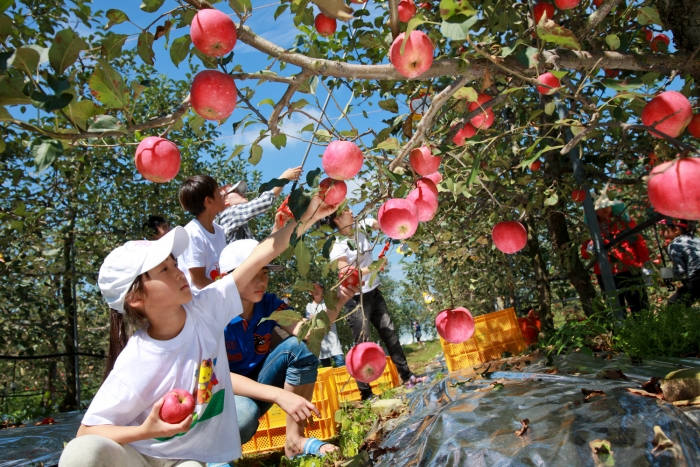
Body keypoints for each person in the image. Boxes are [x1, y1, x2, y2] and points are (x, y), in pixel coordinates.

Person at [58, 195, 337, 467]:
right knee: (83, 454)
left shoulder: (206, 309)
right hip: (139, 456)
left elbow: (263, 252)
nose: (179, 273)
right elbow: (87, 432)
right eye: (164, 270)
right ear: (136, 298)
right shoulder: (137, 359)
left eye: (174, 264)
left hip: (186, 459)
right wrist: (148, 430)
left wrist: (309, 215)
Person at [219, 240, 358, 457]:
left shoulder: (268, 304)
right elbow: (217, 377)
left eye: (264, 272)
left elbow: (309, 331)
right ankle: (217, 456)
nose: (261, 281)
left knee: (299, 347)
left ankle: (295, 440)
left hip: (260, 385)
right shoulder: (215, 314)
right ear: (227, 278)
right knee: (244, 416)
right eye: (253, 272)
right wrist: (278, 395)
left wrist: (339, 300)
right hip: (225, 397)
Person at [325, 208, 427, 400]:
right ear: (337, 218)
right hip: (356, 300)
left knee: (391, 335)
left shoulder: (360, 227)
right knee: (362, 344)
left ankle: (408, 377)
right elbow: (345, 273)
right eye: (346, 210)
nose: (351, 211)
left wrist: (400, 226)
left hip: (374, 293)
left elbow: (380, 224)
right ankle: (366, 393)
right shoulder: (337, 245)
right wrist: (373, 267)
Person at [581, 195, 650, 313]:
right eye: (600, 207)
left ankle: (646, 328)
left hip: (629, 269)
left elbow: (638, 242)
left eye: (607, 205)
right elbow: (585, 253)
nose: (605, 209)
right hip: (606, 272)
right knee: (615, 307)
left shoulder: (624, 223)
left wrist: (645, 263)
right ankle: (621, 330)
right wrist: (589, 248)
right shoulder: (590, 230)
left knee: (639, 305)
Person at [216, 167, 303, 243]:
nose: (242, 194)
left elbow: (258, 254)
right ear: (225, 201)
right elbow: (264, 201)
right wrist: (283, 179)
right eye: (236, 192)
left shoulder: (240, 227)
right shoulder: (228, 214)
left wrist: (277, 227)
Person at [177, 175, 228, 293]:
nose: (222, 196)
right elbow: (198, 280)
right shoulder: (193, 233)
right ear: (208, 201)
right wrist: (227, 291)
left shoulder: (219, 231)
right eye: (218, 193)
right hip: (200, 305)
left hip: (216, 301)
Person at [659, 218, 700, 307]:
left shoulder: (675, 244)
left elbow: (679, 271)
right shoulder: (696, 240)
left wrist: (667, 277)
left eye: (664, 229)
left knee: (673, 304)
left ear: (676, 230)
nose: (661, 232)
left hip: (698, 278)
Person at [306, 282, 346, 368]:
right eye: (313, 288)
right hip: (321, 344)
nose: (316, 290)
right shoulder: (309, 306)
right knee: (327, 369)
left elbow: (331, 318)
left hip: (333, 340)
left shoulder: (328, 302)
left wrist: (316, 319)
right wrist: (324, 319)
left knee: (341, 364)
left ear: (322, 289)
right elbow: (310, 323)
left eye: (318, 288)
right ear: (310, 292)